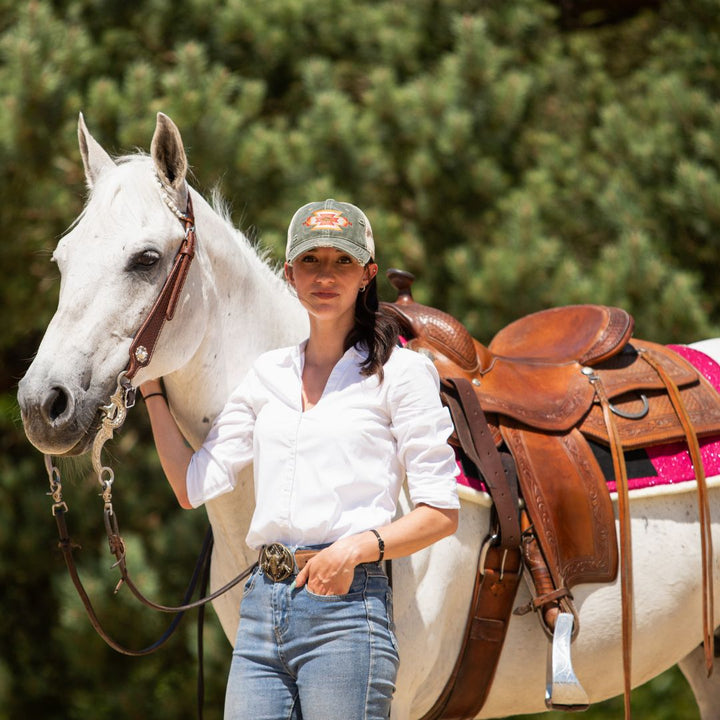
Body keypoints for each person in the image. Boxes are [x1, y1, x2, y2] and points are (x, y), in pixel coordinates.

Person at [140, 199, 460, 720]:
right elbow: (190, 485)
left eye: (343, 262)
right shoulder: (266, 375)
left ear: (367, 275)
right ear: (289, 274)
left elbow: (441, 513)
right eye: (311, 261)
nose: (325, 276)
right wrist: (152, 390)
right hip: (261, 610)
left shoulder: (401, 375)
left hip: (348, 613)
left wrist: (356, 548)